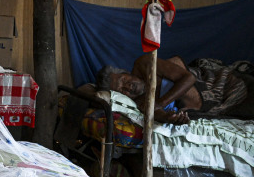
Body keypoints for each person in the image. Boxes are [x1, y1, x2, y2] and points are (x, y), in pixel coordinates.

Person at [96, 55, 253, 124]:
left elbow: (189, 78)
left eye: (124, 80)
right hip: (209, 106)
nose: (128, 87)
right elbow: (159, 114)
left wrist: (161, 102)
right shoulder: (141, 104)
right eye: (123, 90)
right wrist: (171, 118)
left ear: (125, 72)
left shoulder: (143, 64)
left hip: (218, 84)